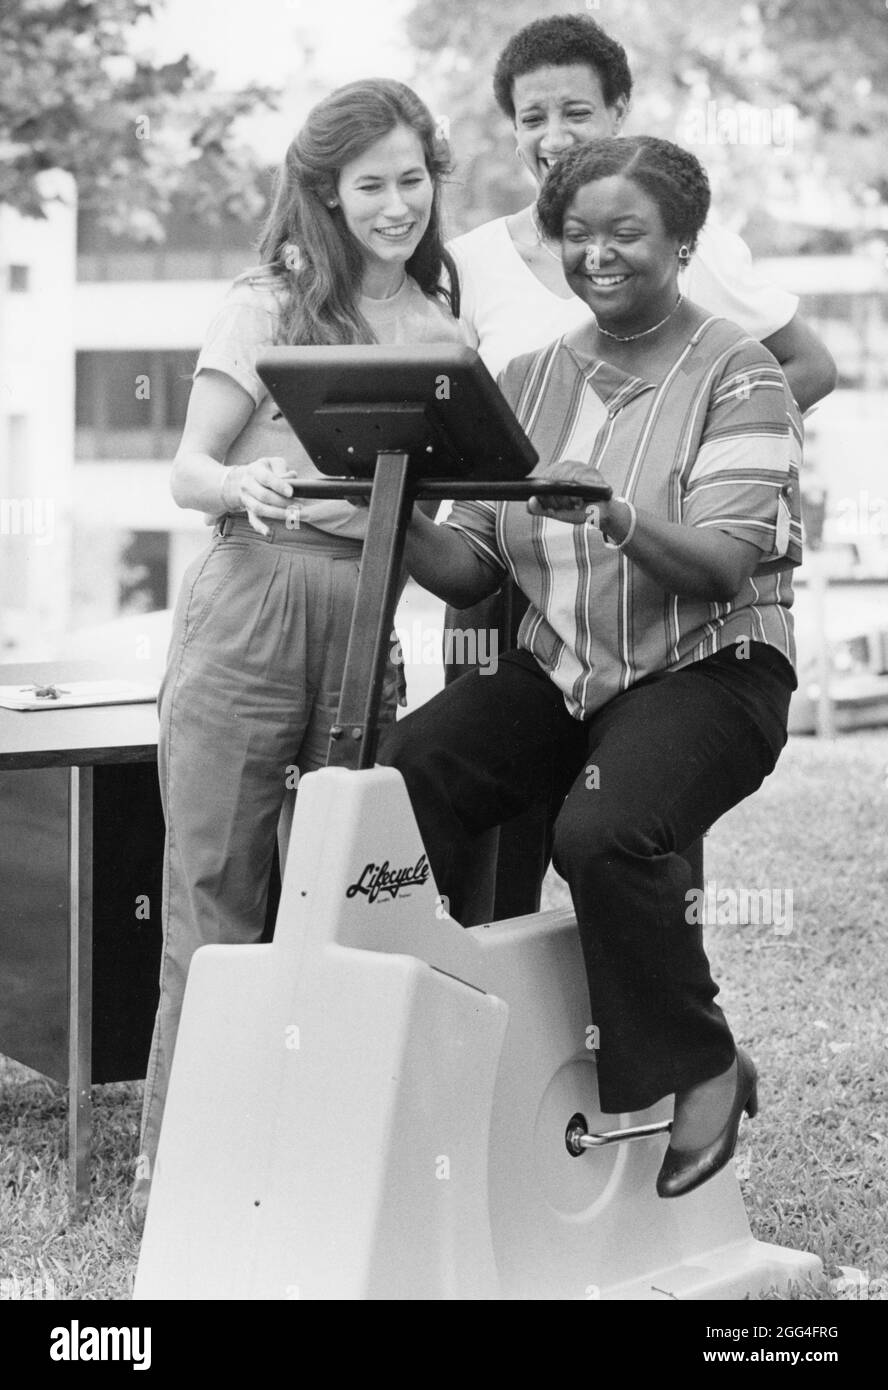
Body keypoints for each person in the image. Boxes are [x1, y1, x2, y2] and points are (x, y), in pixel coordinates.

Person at [379, 135, 803, 1199]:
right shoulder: (524, 379)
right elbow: (474, 570)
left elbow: (721, 562)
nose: (599, 254)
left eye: (627, 233)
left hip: (712, 671)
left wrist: (613, 512)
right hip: (568, 670)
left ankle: (703, 1061)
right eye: (578, 235)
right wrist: (379, 506)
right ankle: (463, 1018)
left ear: (683, 243)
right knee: (407, 772)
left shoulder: (739, 372)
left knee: (603, 830)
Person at [129, 78, 465, 1227]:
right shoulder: (266, 301)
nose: (394, 204)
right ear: (325, 191)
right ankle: (180, 1172)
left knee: (341, 898)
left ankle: (317, 1159)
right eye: (368, 184)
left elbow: (451, 526)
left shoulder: (442, 329)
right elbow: (188, 471)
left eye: (411, 179)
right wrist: (243, 480)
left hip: (369, 620)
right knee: (217, 893)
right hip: (251, 606)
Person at [444, 11, 835, 921]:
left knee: (628, 827)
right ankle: (505, 1023)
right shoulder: (470, 266)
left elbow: (807, 365)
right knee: (494, 827)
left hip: (661, 578)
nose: (554, 136)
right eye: (532, 117)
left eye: (576, 111)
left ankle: (661, 1035)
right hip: (510, 578)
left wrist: (696, 460)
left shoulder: (687, 241)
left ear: (620, 110)